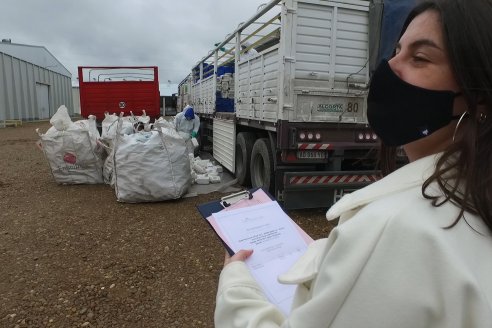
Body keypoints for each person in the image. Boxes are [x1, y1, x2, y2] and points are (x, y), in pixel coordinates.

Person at [214, 0, 492, 327]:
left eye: (419, 57)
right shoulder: (475, 195)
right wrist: (333, 252)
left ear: (480, 98)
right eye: (396, 51)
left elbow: (388, 252)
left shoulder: (394, 230)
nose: (388, 68)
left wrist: (236, 284)